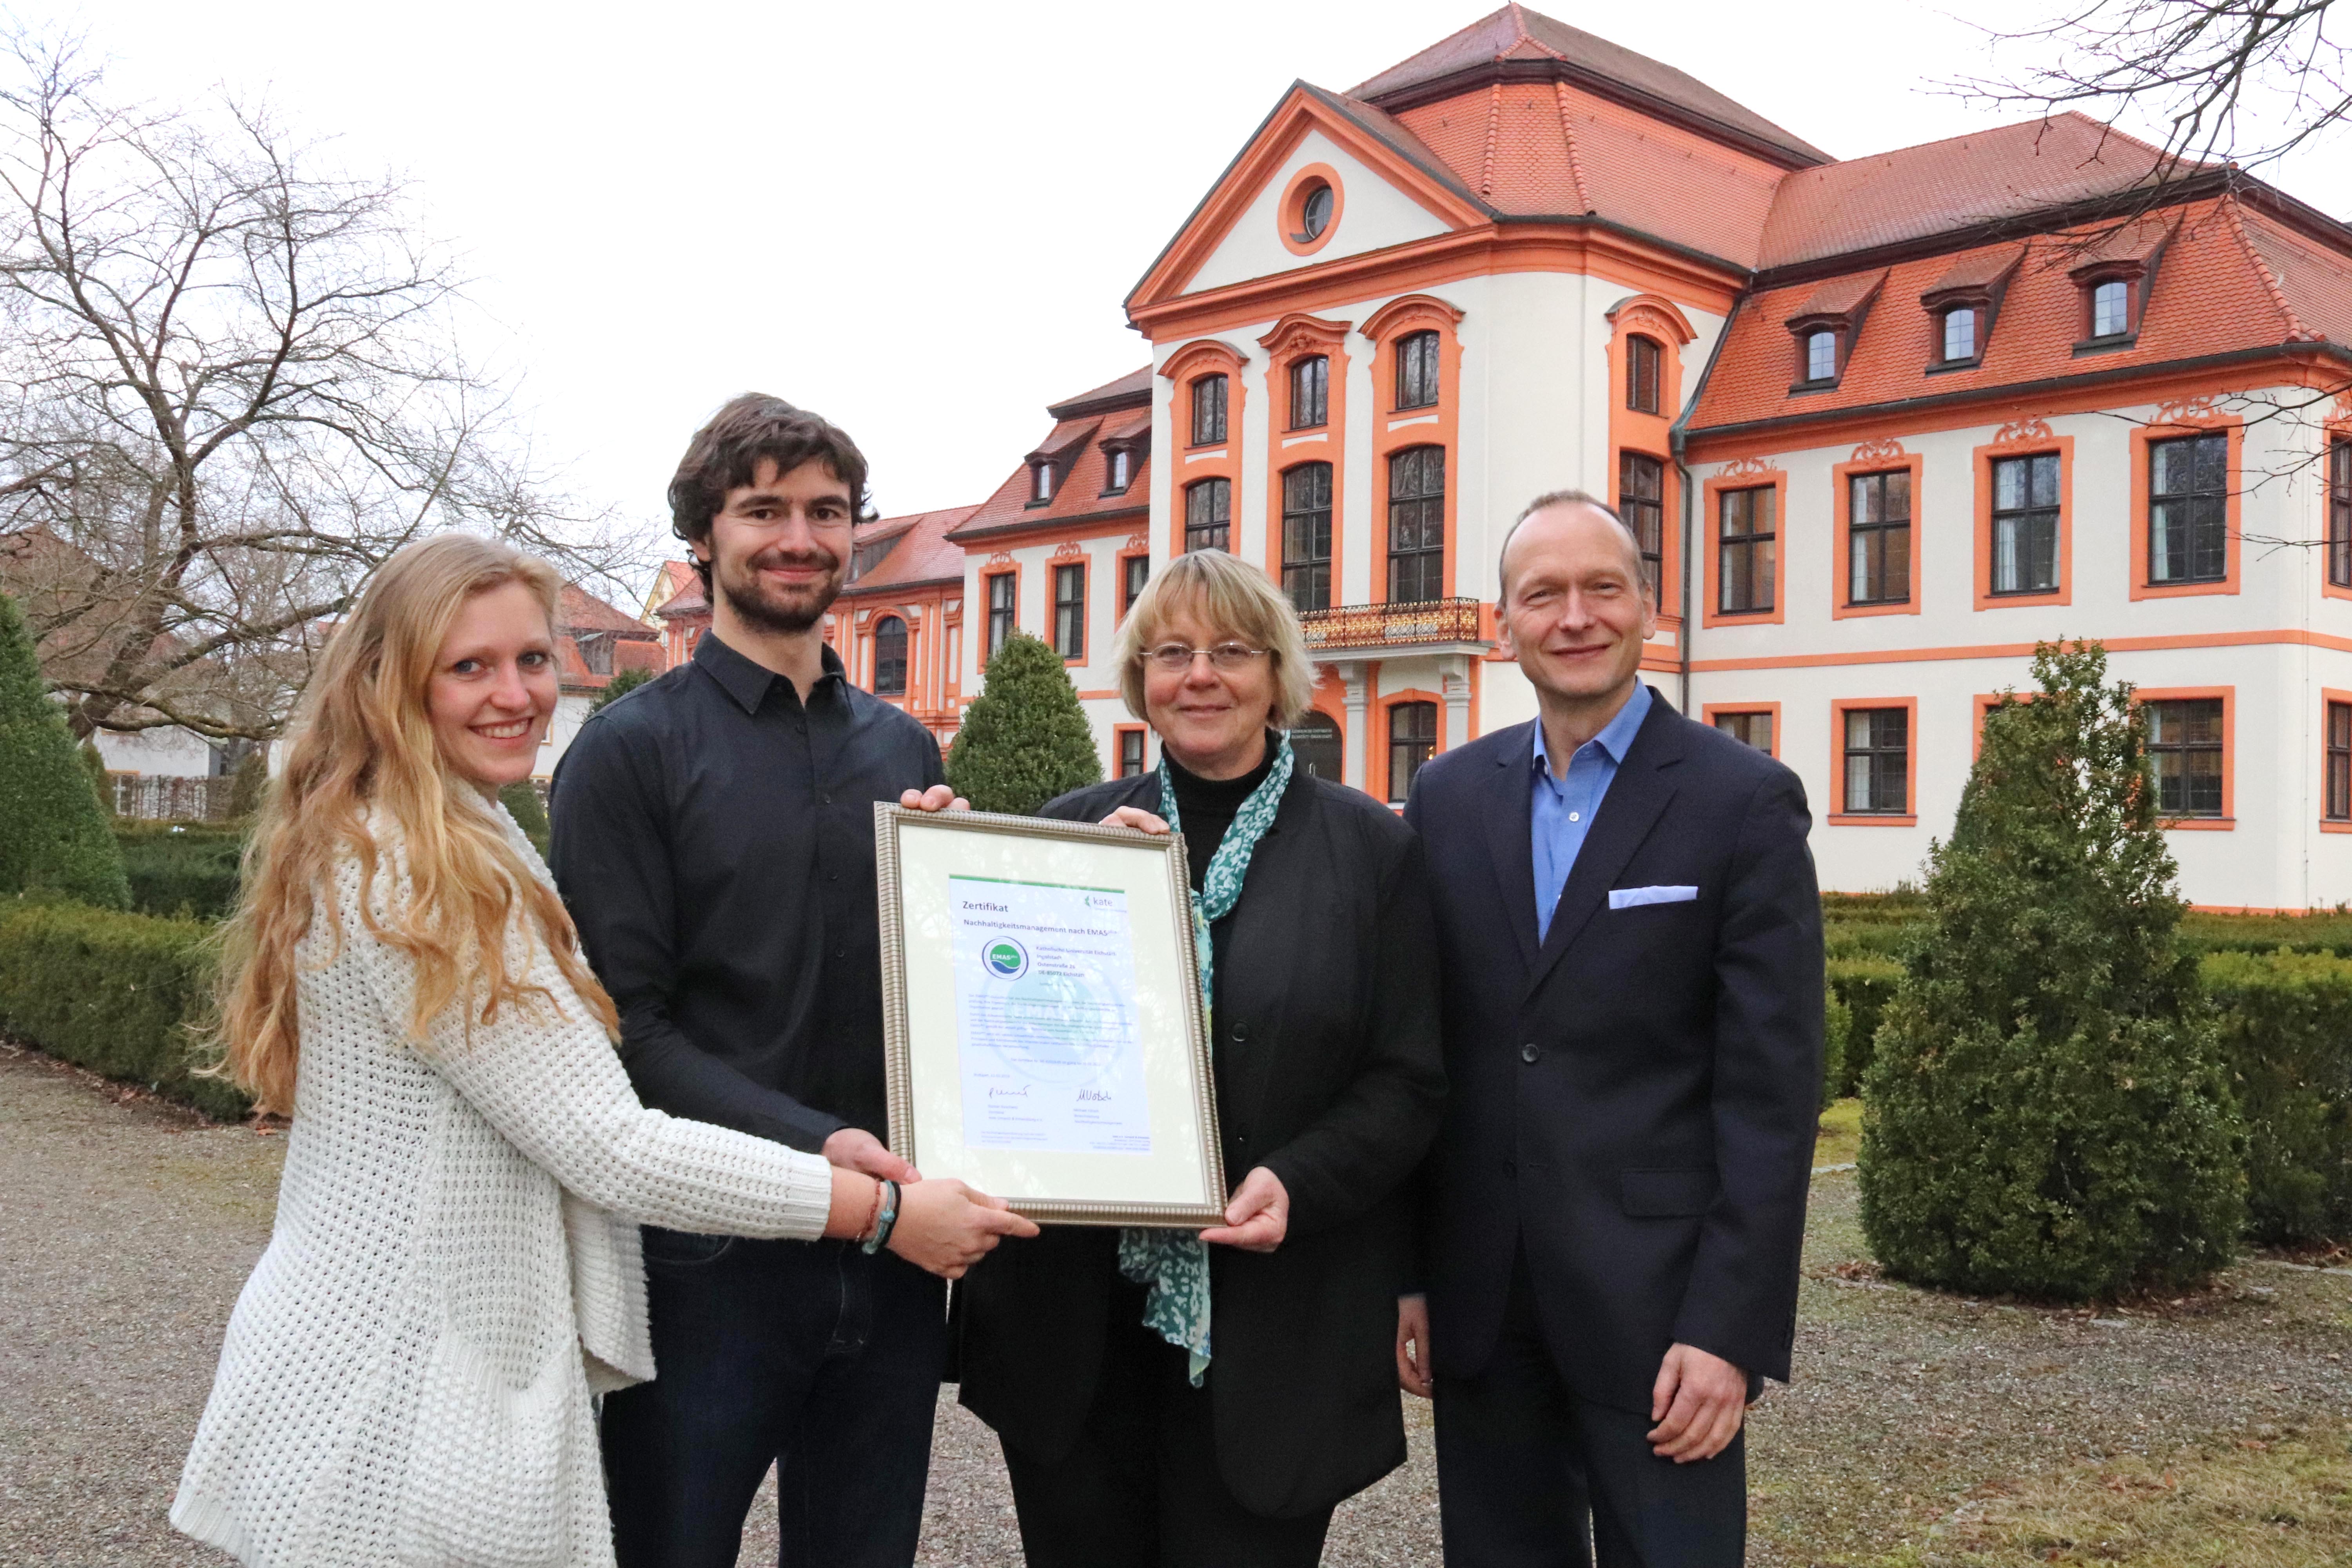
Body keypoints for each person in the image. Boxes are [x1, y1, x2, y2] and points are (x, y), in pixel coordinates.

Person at [171, 534, 1027, 1568]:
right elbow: (610, 1147)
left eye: (533, 659)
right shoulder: (423, 872)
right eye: (469, 666)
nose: (516, 695)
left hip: (393, 1354)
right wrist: (879, 1213)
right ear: (391, 683)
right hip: (407, 1387)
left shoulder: (433, 828)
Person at [546, 395, 1033, 1568]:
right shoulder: (628, 751)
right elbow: (631, 1031)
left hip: (894, 1260)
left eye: (826, 511)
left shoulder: (905, 749)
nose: (800, 538)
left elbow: (939, 1000)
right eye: (763, 511)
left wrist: (999, 890)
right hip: (705, 1257)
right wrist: (824, 1153)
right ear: (702, 537)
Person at [954, 547, 1447, 1568]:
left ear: (1277, 674)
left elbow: (1408, 1079)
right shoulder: (1070, 834)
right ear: (1142, 678)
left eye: (1232, 650)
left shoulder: (1369, 851)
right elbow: (995, 1035)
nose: (1201, 676)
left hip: (1276, 1328)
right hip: (1076, 1329)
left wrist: (1297, 1180)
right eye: (1171, 653)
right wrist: (943, 875)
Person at [1401, 491, 1823, 1568]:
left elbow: (1772, 1096)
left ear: (1647, 606)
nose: (1575, 617)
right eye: (1543, 595)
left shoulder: (1742, 801)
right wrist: (1410, 1275)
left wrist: (1728, 1329)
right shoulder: (1448, 796)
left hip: (1660, 1306)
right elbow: (1422, 1055)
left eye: (1603, 588)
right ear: (1505, 626)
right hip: (1484, 1299)